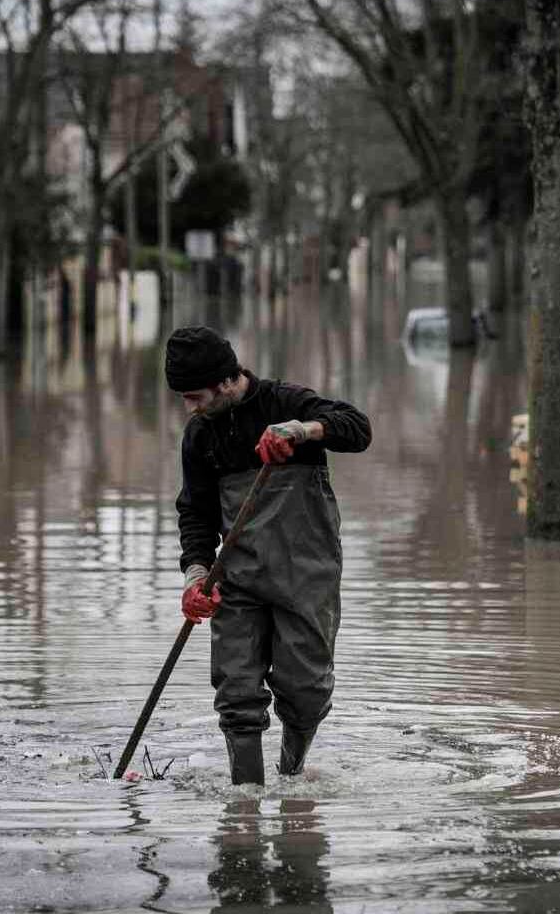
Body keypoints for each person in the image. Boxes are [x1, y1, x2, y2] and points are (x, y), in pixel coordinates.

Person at [166, 326, 372, 785]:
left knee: (305, 690)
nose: (191, 408)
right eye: (184, 398)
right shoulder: (201, 434)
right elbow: (195, 512)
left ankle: (292, 777)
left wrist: (303, 431)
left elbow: (358, 429)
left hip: (307, 576)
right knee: (235, 692)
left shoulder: (287, 402)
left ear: (224, 380)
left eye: (195, 396)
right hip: (237, 582)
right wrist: (196, 575)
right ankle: (246, 801)